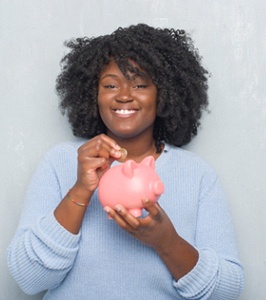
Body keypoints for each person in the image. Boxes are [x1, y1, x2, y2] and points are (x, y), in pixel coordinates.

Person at [7, 24, 244, 299]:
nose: (124, 95)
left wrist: (166, 242)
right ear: (92, 94)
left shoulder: (197, 174)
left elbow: (226, 291)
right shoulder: (61, 163)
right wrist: (81, 189)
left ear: (164, 93)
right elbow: (29, 278)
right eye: (110, 85)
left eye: (140, 84)